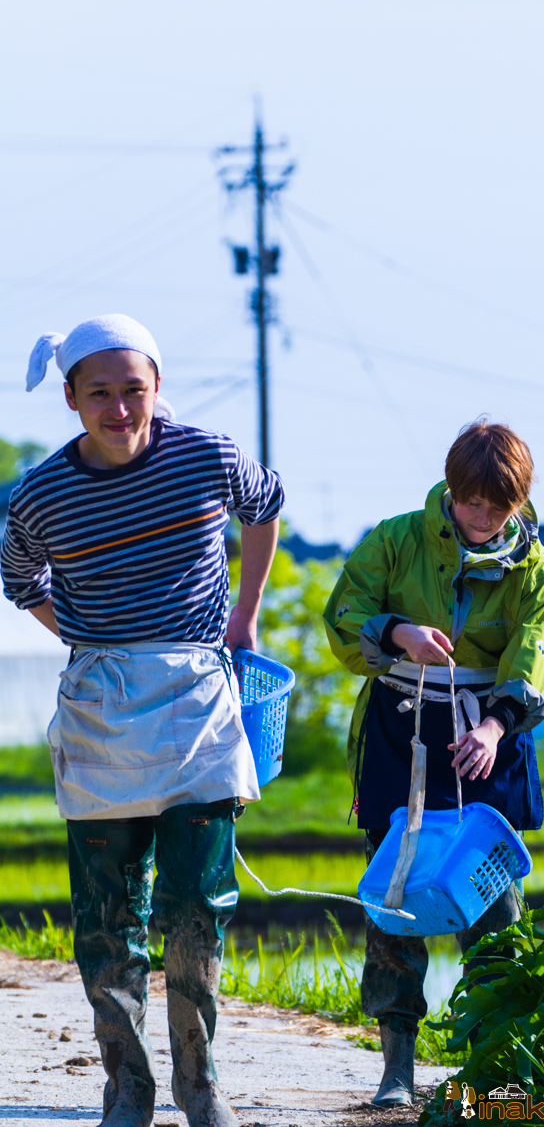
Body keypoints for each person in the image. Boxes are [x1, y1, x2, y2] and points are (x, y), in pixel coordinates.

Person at [1, 314, 283, 1127]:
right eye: (100, 393)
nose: (119, 408)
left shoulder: (206, 454)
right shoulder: (42, 494)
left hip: (198, 694)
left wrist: (245, 617)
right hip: (101, 710)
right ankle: (128, 1085)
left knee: (200, 901)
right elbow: (19, 579)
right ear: (70, 399)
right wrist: (88, 637)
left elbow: (265, 505)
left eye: (134, 389)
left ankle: (201, 1080)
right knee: (105, 915)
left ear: (158, 388)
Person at [323, 419, 544, 1107]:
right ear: (451, 490)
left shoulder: (532, 570)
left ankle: (497, 1065)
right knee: (394, 897)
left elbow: (530, 656)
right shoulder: (396, 537)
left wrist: (493, 726)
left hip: (488, 739)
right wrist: (398, 632)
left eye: (497, 507)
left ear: (517, 503)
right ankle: (396, 1063)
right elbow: (344, 614)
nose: (481, 519)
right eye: (470, 502)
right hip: (404, 733)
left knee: (494, 903)